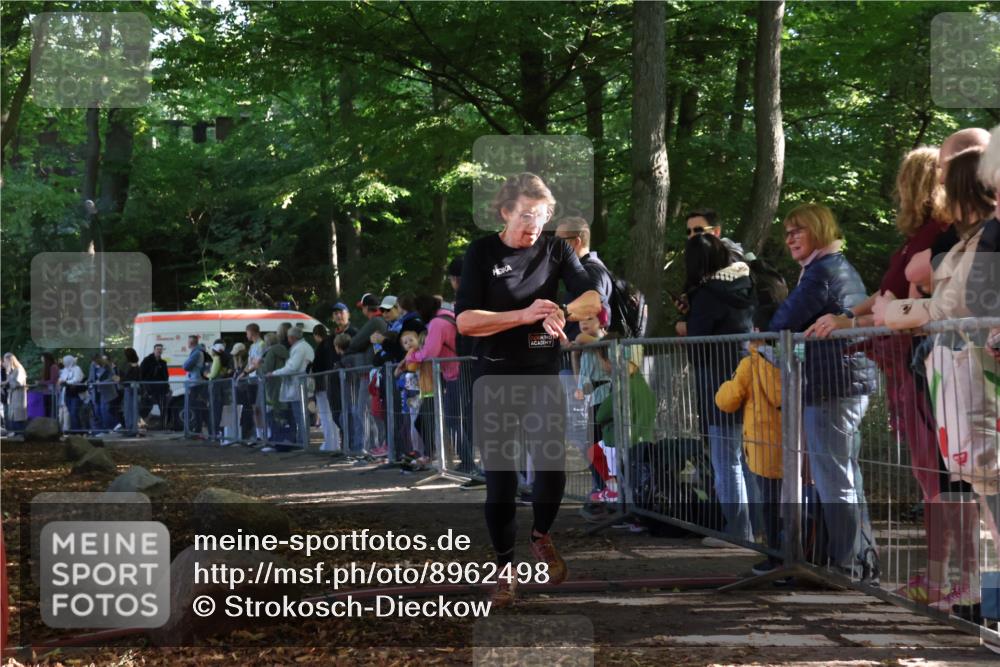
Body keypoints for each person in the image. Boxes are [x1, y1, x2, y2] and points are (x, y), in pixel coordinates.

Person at [807, 145, 974, 606]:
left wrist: (852, 322)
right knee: (933, 477)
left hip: (932, 367)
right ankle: (942, 576)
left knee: (947, 479)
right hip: (912, 367)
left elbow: (903, 306)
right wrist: (848, 315)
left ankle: (962, 581)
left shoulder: (940, 236)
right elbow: (886, 294)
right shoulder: (918, 238)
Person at [455, 172, 602, 607]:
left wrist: (561, 311)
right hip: (495, 376)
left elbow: (593, 299)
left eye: (541, 216)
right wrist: (522, 316)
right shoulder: (482, 252)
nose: (533, 225)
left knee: (552, 470)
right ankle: (504, 569)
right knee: (500, 482)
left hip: (541, 374)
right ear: (504, 212)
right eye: (525, 216)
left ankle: (541, 535)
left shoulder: (557, 249)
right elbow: (465, 321)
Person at [769, 203, 878, 581]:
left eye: (797, 230)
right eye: (787, 233)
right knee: (843, 474)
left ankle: (849, 566)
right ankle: (857, 561)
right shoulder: (830, 268)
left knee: (836, 477)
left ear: (818, 228)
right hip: (841, 380)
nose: (790, 239)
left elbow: (782, 321)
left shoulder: (823, 272)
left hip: (834, 384)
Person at [683, 233, 756, 543]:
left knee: (726, 458)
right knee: (751, 458)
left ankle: (739, 531)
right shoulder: (746, 284)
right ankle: (759, 528)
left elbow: (697, 341)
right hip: (748, 376)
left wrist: (686, 319)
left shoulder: (707, 294)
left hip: (718, 382)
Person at [716, 310, 784, 575]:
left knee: (770, 503)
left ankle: (774, 557)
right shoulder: (792, 359)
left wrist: (725, 386)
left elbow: (727, 400)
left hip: (763, 445)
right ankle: (790, 554)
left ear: (756, 332)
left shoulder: (750, 364)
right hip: (792, 445)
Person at [409, 294, 463, 468]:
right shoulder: (449, 316)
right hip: (460, 372)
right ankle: (463, 461)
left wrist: (413, 356)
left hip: (456, 374)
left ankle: (467, 462)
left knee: (453, 421)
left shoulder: (437, 323)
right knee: (457, 421)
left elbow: (430, 352)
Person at [676, 209, 747, 337]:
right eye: (689, 231)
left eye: (698, 230)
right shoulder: (697, 266)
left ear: (716, 231)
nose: (692, 235)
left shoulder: (732, 261)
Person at [342, 293, 388, 451]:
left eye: (362, 308)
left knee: (365, 411)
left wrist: (355, 347)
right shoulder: (381, 320)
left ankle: (372, 447)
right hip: (374, 372)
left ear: (367, 308)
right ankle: (376, 446)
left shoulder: (375, 321)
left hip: (371, 373)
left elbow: (355, 342)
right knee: (371, 411)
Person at [269, 324, 315, 450]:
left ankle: (302, 441)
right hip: (299, 384)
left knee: (300, 414)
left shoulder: (300, 348)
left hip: (298, 385)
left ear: (292, 337)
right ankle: (301, 440)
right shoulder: (302, 347)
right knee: (300, 414)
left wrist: (275, 373)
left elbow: (292, 367)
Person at [311, 324, 341, 453]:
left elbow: (317, 366)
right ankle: (335, 443)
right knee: (333, 413)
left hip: (322, 384)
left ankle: (330, 443)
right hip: (333, 382)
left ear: (316, 335)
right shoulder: (332, 342)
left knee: (325, 414)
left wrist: (310, 367)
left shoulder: (321, 347)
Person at [259, 332, 289, 450]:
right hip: (281, 384)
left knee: (273, 414)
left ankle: (275, 442)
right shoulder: (284, 351)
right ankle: (282, 441)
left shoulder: (271, 352)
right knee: (281, 414)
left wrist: (258, 367)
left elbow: (266, 369)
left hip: (272, 385)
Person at [244, 323, 268, 442]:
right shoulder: (252, 346)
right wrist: (244, 372)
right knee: (255, 408)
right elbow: (250, 363)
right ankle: (259, 435)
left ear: (252, 332)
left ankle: (265, 434)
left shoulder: (261, 345)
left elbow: (257, 363)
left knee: (260, 407)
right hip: (251, 379)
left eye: (247, 332)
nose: (246, 335)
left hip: (258, 379)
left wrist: (246, 372)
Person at [206, 340, 233, 441]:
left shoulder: (217, 359)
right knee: (221, 410)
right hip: (222, 387)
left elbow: (212, 374)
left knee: (215, 410)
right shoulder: (225, 358)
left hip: (216, 388)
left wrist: (206, 375)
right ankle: (221, 432)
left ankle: (215, 433)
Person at [182, 335, 208, 436]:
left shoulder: (196, 352)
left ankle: (198, 429)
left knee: (196, 406)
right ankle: (198, 428)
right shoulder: (198, 351)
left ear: (192, 343)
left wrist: (184, 365)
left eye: (188, 342)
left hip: (195, 383)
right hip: (197, 382)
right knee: (198, 406)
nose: (187, 343)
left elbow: (186, 366)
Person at [139, 344, 169, 426]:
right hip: (149, 389)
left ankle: (163, 425)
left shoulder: (163, 363)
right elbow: (141, 374)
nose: (159, 351)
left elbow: (166, 377)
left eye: (160, 349)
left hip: (160, 389)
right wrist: (144, 387)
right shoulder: (147, 361)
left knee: (163, 407)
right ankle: (140, 424)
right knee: (146, 407)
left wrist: (167, 388)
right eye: (157, 349)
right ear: (154, 350)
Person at [59, 355, 85, 432]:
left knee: (74, 413)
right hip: (67, 394)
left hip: (76, 394)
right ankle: (74, 430)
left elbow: (77, 379)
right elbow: (61, 379)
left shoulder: (77, 369)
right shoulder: (65, 370)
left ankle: (78, 431)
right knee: (70, 413)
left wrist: (67, 382)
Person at [3, 353, 27, 432]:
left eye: (6, 361)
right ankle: (16, 433)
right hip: (13, 396)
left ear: (11, 361)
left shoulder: (19, 369)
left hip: (19, 396)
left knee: (19, 416)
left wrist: (10, 382)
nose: (5, 363)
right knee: (13, 416)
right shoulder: (12, 371)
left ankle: (20, 433)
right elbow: (8, 381)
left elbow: (19, 383)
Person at [121, 348, 141, 435]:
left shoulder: (128, 366)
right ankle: (133, 427)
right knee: (133, 408)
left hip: (129, 389)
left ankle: (130, 428)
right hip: (134, 389)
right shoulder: (136, 366)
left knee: (128, 409)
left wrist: (120, 379)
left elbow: (126, 377)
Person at [39, 352, 60, 418]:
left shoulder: (53, 367)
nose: (41, 359)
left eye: (43, 357)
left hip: (52, 393)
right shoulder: (45, 367)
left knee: (52, 411)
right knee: (46, 411)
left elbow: (53, 381)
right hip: (46, 393)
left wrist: (41, 382)